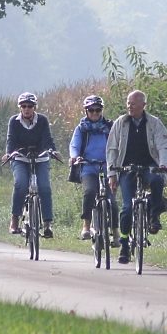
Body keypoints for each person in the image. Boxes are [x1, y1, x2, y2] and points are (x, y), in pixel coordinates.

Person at [107, 88, 167, 265]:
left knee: (157, 181)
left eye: (134, 103)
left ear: (143, 105)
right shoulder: (120, 123)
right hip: (126, 168)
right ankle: (124, 244)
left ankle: (154, 216)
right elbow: (112, 149)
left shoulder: (154, 123)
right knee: (127, 208)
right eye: (128, 103)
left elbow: (164, 145)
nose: (130, 106)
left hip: (149, 166)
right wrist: (112, 173)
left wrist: (164, 164)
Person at [4, 91, 57, 237]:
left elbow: (47, 139)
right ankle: (14, 220)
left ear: (35, 107)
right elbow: (11, 140)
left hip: (40, 158)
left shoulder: (42, 120)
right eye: (24, 106)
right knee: (20, 184)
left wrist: (52, 150)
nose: (27, 109)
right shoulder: (14, 121)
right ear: (20, 107)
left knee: (44, 187)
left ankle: (47, 224)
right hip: (20, 158)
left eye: (30, 106)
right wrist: (9, 153)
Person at [68, 94, 112, 240]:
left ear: (101, 111)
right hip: (88, 166)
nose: (94, 113)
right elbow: (74, 145)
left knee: (112, 199)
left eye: (97, 110)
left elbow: (116, 145)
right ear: (86, 111)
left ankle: (115, 231)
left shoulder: (109, 127)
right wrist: (75, 157)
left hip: (107, 166)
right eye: (91, 110)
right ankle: (86, 225)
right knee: (89, 192)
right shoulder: (81, 129)